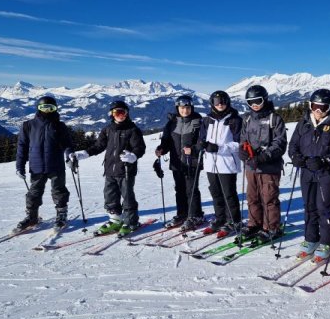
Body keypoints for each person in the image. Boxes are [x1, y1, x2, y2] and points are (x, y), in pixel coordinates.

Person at [71, 100, 146, 236]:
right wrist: (85, 153)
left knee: (127, 197)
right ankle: (115, 220)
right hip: (110, 169)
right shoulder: (108, 129)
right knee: (110, 195)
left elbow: (140, 148)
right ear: (111, 114)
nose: (120, 115)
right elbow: (99, 146)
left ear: (127, 113)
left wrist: (133, 156)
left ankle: (131, 222)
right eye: (117, 112)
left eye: (123, 112)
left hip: (126, 170)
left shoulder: (132, 129)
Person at [288, 89, 330, 261]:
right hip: (306, 171)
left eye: (323, 106)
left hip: (327, 173)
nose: (318, 110)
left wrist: (325, 160)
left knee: (324, 209)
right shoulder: (303, 123)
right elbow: (293, 145)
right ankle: (311, 239)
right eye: (315, 106)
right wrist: (295, 157)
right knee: (309, 207)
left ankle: (327, 242)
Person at [15, 96, 74, 230]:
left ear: (55, 109)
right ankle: (32, 216)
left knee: (59, 191)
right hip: (37, 167)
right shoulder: (28, 125)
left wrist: (70, 156)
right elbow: (22, 147)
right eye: (44, 108)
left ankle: (61, 215)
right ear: (38, 108)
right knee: (33, 193)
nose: (47, 111)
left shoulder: (60, 126)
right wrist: (19, 166)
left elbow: (67, 144)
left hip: (56, 165)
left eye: (50, 108)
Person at [238, 85, 287, 243]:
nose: (254, 105)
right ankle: (255, 223)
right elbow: (243, 138)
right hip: (251, 166)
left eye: (257, 101)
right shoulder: (247, 118)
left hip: (269, 166)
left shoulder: (275, 119)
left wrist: (263, 157)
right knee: (252, 197)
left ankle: (271, 227)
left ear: (264, 99)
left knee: (269, 197)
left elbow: (279, 144)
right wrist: (242, 151)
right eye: (250, 102)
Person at [155, 95, 205, 231]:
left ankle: (196, 215)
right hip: (177, 162)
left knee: (191, 189)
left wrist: (193, 149)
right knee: (179, 190)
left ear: (191, 107)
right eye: (182, 108)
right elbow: (166, 141)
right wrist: (161, 150)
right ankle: (182, 214)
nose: (185, 110)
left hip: (192, 162)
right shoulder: (171, 123)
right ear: (178, 108)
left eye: (187, 107)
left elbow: (202, 142)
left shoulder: (198, 121)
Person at [199, 90, 243, 237]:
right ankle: (220, 218)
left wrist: (219, 148)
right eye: (217, 102)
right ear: (212, 103)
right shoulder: (207, 120)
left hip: (227, 162)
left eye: (223, 101)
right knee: (216, 193)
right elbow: (202, 138)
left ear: (228, 102)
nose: (220, 104)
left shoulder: (235, 120)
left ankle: (234, 220)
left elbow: (239, 144)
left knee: (228, 194)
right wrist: (200, 145)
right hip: (210, 163)